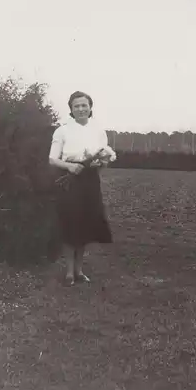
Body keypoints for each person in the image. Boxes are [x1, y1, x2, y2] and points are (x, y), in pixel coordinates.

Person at [49, 91, 116, 285]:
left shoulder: (98, 131)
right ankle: (69, 272)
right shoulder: (62, 130)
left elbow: (104, 158)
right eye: (76, 106)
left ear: (90, 107)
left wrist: (100, 164)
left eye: (84, 105)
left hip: (90, 182)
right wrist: (70, 166)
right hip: (70, 180)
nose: (80, 109)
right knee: (71, 224)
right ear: (71, 109)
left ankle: (79, 270)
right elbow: (52, 159)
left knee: (86, 225)